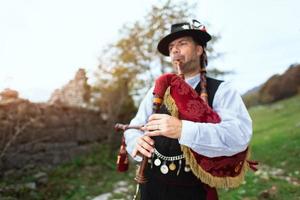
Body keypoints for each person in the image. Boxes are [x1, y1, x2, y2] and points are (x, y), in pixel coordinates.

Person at [124, 19, 253, 200]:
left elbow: (239, 136)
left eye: (182, 44)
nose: (174, 50)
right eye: (171, 47)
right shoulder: (157, 90)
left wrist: (182, 129)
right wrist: (136, 142)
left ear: (199, 50)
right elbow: (135, 126)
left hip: (193, 190)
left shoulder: (222, 90)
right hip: (151, 186)